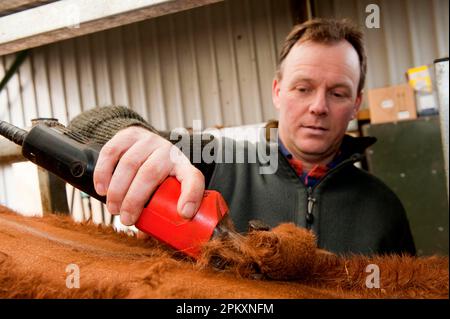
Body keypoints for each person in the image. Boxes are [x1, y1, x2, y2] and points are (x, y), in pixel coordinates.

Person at [68, 18, 416, 256]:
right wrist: (135, 135)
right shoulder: (215, 160)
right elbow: (83, 126)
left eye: (338, 93)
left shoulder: (384, 209)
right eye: (303, 88)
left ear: (356, 103)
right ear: (278, 92)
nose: (318, 107)